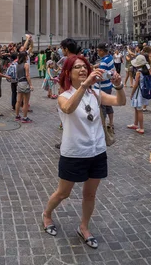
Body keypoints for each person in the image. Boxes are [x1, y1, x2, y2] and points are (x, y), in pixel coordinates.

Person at [42, 54, 126, 247]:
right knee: (64, 193)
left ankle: (84, 227)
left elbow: (120, 102)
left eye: (85, 67)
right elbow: (69, 109)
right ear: (68, 73)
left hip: (97, 151)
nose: (82, 70)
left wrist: (119, 85)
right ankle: (47, 214)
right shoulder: (64, 96)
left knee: (90, 194)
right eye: (77, 67)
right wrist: (84, 85)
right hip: (74, 152)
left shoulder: (95, 93)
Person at [127, 54, 151, 135]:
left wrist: (132, 93)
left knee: (139, 109)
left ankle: (141, 127)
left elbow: (136, 84)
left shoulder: (138, 72)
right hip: (143, 90)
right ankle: (135, 123)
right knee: (137, 109)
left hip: (138, 92)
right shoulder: (146, 70)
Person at [96, 43, 116, 130]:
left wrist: (94, 74)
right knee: (108, 104)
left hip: (102, 87)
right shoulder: (110, 58)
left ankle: (102, 124)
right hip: (109, 86)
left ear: (101, 51)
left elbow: (102, 78)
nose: (97, 52)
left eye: (98, 51)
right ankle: (111, 123)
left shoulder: (104, 62)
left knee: (102, 106)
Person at [15, 51, 33, 123]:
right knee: (26, 102)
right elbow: (27, 75)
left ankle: (17, 116)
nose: (28, 57)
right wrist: (31, 85)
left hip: (19, 83)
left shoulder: (17, 64)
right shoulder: (26, 65)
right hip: (25, 83)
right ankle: (25, 118)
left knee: (18, 101)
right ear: (25, 57)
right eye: (27, 55)